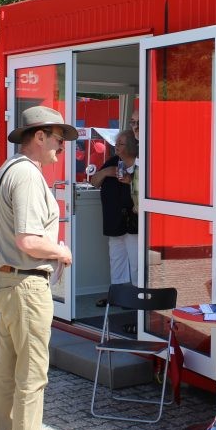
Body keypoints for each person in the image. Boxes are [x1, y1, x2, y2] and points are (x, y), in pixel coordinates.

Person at [0, 106, 77, 430]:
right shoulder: (29, 177)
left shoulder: (7, 170)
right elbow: (29, 240)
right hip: (28, 286)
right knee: (32, 373)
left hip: (6, 283)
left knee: (6, 371)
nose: (62, 146)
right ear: (39, 136)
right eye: (58, 138)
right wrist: (61, 251)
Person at [89, 130, 139, 303]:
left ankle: (136, 300)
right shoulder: (112, 162)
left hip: (134, 223)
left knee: (136, 263)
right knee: (117, 260)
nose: (116, 146)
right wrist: (106, 172)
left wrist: (130, 180)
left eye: (121, 144)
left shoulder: (141, 165)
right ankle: (118, 296)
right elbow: (94, 181)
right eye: (116, 143)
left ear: (132, 145)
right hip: (114, 221)